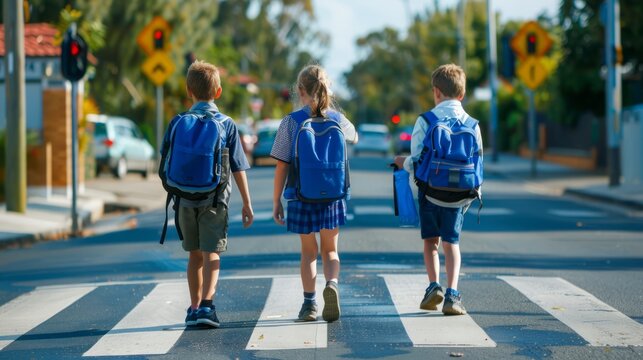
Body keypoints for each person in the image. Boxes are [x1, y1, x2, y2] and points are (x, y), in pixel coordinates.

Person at [163, 60, 254, 328]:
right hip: (216, 200)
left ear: (188, 91)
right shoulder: (226, 125)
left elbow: (165, 161)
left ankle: (193, 308)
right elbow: (238, 168)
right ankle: (207, 306)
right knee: (211, 253)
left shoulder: (178, 122)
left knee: (193, 254)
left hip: (183, 199)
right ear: (219, 92)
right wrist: (247, 203)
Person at [270, 64, 358, 322]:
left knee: (309, 251)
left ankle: (309, 304)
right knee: (330, 250)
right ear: (327, 89)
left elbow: (281, 163)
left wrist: (276, 200)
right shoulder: (337, 120)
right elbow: (355, 137)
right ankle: (331, 283)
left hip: (300, 194)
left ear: (300, 91)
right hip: (333, 194)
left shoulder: (291, 122)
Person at [394, 64, 483, 316]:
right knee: (451, 244)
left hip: (431, 193)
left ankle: (434, 287)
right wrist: (475, 192)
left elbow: (417, 160)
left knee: (431, 242)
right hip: (459, 197)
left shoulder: (426, 120)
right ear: (462, 94)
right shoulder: (473, 124)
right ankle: (453, 293)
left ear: (436, 92)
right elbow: (478, 160)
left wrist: (403, 164)